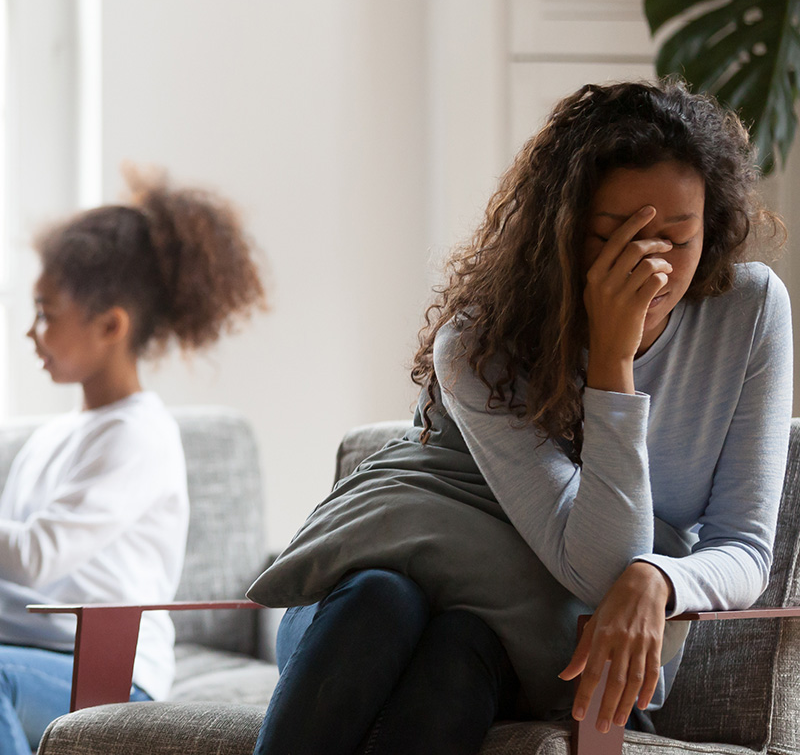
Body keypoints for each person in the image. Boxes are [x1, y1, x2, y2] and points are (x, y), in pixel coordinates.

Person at [247, 80, 792, 755]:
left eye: (677, 238)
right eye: (612, 238)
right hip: (359, 613)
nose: (650, 267)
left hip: (524, 637)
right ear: (560, 232)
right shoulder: (479, 343)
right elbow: (601, 569)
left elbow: (729, 550)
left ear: (711, 226)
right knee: (382, 601)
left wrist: (659, 577)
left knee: (459, 651)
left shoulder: (750, 311)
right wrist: (613, 359)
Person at [0, 168, 265, 755]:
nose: (30, 332)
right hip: (24, 653)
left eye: (46, 313)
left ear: (111, 325)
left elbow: (35, 557)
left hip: (106, 675)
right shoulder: (53, 438)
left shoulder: (138, 437)